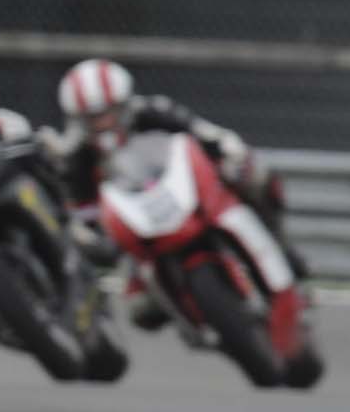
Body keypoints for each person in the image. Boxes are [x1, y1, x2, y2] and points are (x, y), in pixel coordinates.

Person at [44, 57, 305, 323]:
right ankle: (175, 300)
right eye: (92, 118)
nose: (102, 124)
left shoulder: (154, 112)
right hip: (137, 228)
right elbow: (84, 214)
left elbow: (207, 135)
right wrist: (92, 238)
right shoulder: (76, 157)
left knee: (257, 177)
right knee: (141, 312)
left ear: (123, 104)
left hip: (183, 192)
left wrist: (231, 154)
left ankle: (278, 244)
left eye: (106, 113)